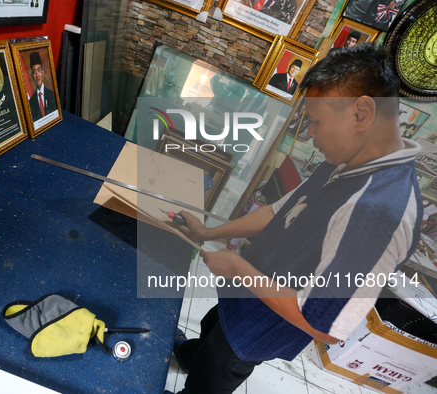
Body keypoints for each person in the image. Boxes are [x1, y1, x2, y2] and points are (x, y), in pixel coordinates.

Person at [166, 43, 422, 394]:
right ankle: (190, 353)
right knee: (212, 331)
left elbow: (327, 324)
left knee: (215, 373)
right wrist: (208, 231)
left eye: (315, 122)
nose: (310, 133)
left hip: (261, 326)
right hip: (244, 300)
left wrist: (239, 269)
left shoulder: (380, 211)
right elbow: (280, 211)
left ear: (361, 113)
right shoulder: (348, 160)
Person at [28, 51, 58, 123]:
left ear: (43, 72)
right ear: (32, 75)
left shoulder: (52, 95)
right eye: (34, 71)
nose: (37, 75)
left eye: (39, 70)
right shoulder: (31, 102)